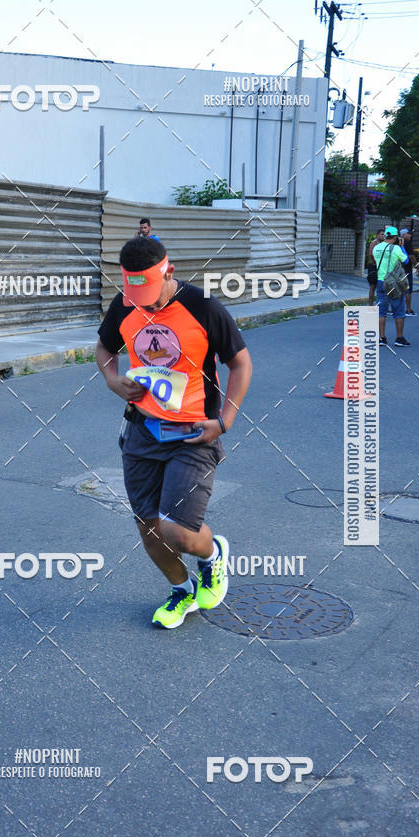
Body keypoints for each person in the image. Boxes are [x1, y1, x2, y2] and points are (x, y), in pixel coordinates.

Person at [96, 236, 252, 629]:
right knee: (149, 531)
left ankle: (212, 554)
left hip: (194, 433)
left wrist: (226, 420)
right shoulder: (125, 304)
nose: (143, 303)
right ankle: (182, 592)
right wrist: (114, 382)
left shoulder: (203, 308)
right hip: (142, 432)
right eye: (136, 294)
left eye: (149, 293)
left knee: (179, 532)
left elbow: (241, 363)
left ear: (170, 270)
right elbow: (103, 350)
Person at [372, 226, 410, 347]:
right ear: (394, 237)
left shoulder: (376, 248)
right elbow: (406, 261)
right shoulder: (397, 248)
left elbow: (374, 261)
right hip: (393, 283)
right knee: (398, 310)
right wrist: (402, 246)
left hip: (380, 281)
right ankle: (399, 338)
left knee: (381, 312)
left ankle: (382, 338)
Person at [399, 228, 419, 316]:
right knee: (408, 290)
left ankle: (396, 308)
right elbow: (411, 256)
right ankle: (408, 309)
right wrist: (417, 266)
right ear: (403, 235)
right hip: (406, 270)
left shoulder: (395, 242)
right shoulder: (407, 243)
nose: (410, 235)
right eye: (408, 234)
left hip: (397, 270)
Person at [366, 228, 384, 306]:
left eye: (384, 234)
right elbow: (371, 254)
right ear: (377, 235)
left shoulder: (382, 243)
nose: (383, 236)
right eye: (382, 234)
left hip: (380, 267)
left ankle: (381, 305)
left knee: (381, 287)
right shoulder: (374, 243)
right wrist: (377, 263)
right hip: (373, 267)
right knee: (373, 286)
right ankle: (371, 305)